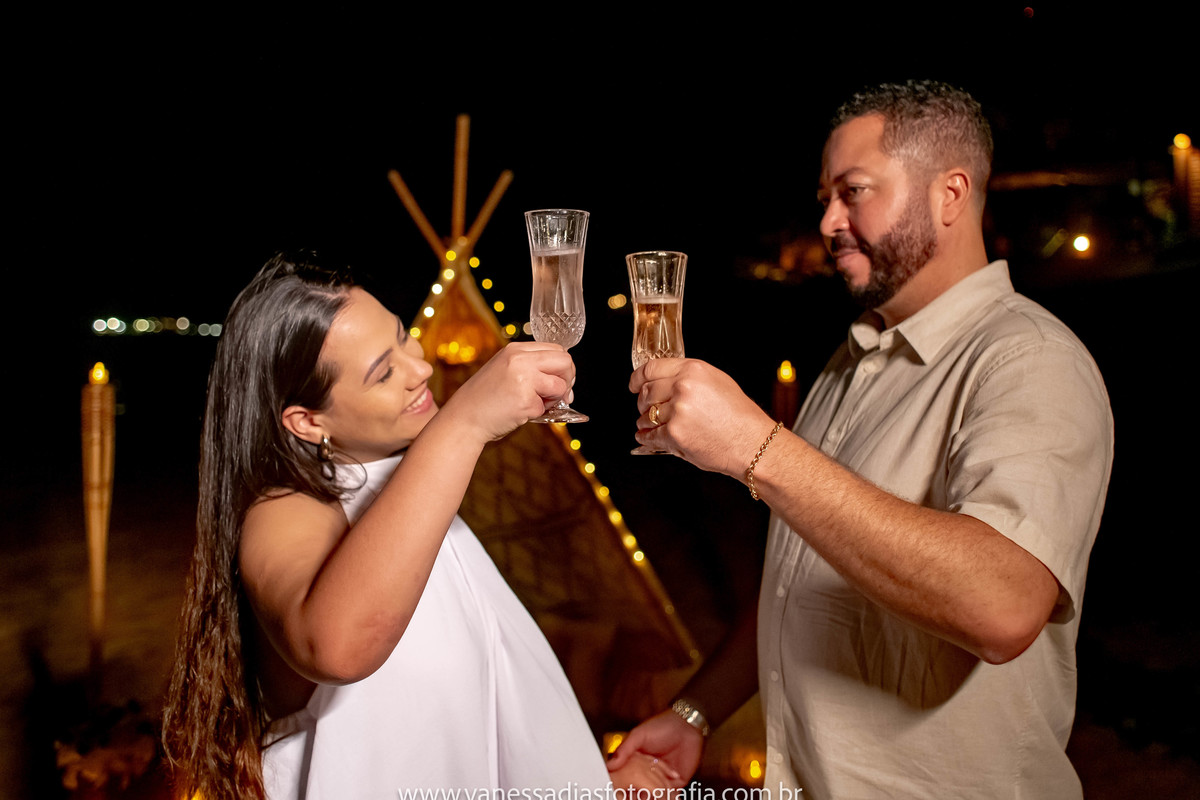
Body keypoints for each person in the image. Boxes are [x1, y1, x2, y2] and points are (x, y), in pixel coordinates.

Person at [608, 80, 1114, 798]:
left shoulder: (1029, 360)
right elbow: (801, 576)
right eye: (825, 197)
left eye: (854, 191)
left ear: (951, 193)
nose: (828, 220)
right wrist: (696, 713)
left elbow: (1002, 608)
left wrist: (757, 446)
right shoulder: (851, 364)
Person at [162, 252, 666, 800]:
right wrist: (464, 421)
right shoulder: (285, 507)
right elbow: (338, 647)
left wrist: (585, 783)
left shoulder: (407, 483)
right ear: (307, 422)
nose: (420, 368)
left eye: (404, 337)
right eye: (384, 371)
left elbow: (482, 703)